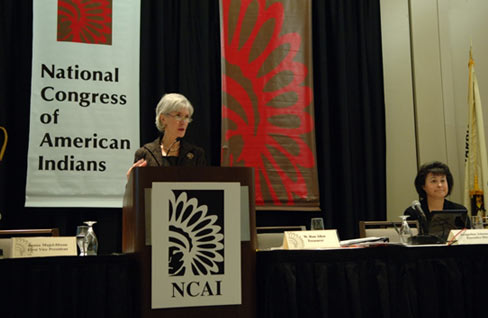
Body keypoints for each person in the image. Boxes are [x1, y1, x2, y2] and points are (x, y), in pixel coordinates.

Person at [126, 93, 206, 178]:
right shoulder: (145, 153)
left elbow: (203, 188)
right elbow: (136, 189)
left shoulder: (196, 154)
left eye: (186, 117)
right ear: (163, 119)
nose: (183, 122)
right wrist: (131, 180)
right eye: (178, 115)